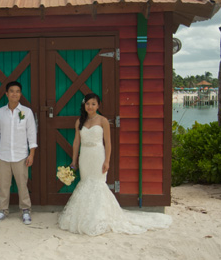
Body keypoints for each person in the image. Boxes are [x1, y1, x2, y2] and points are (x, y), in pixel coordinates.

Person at [59, 93, 171, 236]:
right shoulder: (79, 121)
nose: (90, 106)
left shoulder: (103, 120)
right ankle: (84, 216)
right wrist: (74, 161)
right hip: (85, 156)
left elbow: (108, 143)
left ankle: (99, 217)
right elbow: (76, 142)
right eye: (88, 103)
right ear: (84, 105)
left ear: (98, 106)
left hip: (98, 155)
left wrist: (107, 161)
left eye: (93, 104)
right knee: (86, 183)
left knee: (98, 184)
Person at [0, 81, 37, 225]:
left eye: (17, 91)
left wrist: (31, 154)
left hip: (20, 156)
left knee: (22, 184)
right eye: (11, 91)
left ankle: (25, 210)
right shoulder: (0, 112)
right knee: (4, 185)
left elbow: (31, 134)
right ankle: (2, 210)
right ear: (6, 94)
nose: (14, 94)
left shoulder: (26, 112)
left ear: (20, 94)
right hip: (3, 155)